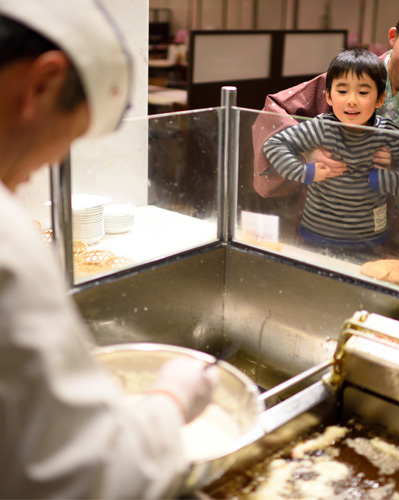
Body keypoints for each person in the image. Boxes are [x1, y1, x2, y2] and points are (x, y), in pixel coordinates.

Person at [0, 1, 216, 498]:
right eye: (71, 136)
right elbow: (81, 478)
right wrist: (168, 401)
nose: (45, 166)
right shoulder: (8, 247)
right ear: (43, 84)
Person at [253, 0, 399, 259]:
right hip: (323, 218)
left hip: (384, 232)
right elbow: (276, 111)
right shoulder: (350, 74)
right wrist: (307, 153)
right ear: (393, 37)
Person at [262, 48, 399, 261]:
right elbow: (275, 145)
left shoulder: (389, 133)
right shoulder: (322, 127)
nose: (352, 100)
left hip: (369, 239)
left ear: (380, 99)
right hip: (315, 234)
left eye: (363, 92)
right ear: (329, 96)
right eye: (342, 92)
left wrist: (388, 180)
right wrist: (306, 172)